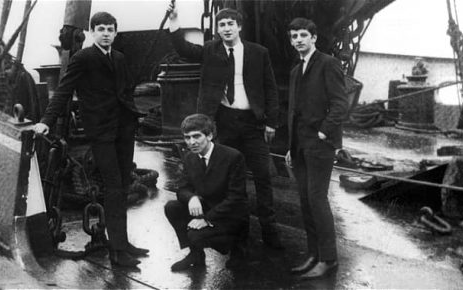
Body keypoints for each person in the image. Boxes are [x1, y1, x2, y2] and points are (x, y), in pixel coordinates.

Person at [33, 12, 148, 267]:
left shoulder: (119, 58)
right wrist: (46, 121)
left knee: (124, 185)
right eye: (101, 29)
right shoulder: (83, 58)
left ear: (116, 33)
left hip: (123, 130)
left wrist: (134, 116)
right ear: (92, 32)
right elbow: (64, 90)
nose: (106, 33)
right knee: (113, 186)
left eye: (110, 29)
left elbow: (126, 91)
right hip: (102, 132)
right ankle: (117, 252)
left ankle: (123, 243)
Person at [167, 3, 283, 249]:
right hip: (224, 123)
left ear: (239, 27)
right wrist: (175, 22)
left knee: (263, 177)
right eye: (222, 25)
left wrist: (271, 122)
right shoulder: (211, 50)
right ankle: (237, 237)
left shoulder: (258, 53)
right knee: (226, 179)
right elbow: (184, 49)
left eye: (231, 24)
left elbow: (271, 89)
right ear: (217, 29)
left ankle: (270, 233)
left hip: (252, 124)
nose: (227, 28)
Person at [284, 17, 348, 278]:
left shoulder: (328, 64)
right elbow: (294, 111)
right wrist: (291, 145)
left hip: (320, 144)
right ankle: (313, 255)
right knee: (305, 201)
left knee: (317, 200)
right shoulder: (296, 70)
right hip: (300, 145)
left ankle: (329, 259)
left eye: (302, 35)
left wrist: (323, 131)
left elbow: (340, 104)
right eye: (294, 36)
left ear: (314, 38)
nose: (298, 40)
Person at [165, 114, 249, 271]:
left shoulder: (232, 157)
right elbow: (182, 188)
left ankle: (237, 249)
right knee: (172, 207)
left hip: (230, 216)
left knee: (195, 235)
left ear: (210, 135)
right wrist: (191, 198)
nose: (192, 142)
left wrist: (206, 219)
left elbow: (236, 198)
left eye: (197, 136)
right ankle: (195, 255)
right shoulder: (190, 157)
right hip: (208, 207)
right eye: (187, 137)